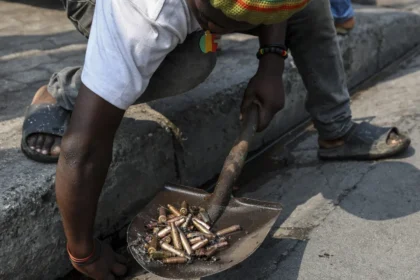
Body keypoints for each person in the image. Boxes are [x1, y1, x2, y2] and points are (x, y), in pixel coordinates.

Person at [20, 0, 410, 279]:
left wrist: (272, 62)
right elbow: (82, 150)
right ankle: (66, 90)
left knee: (308, 5)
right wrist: (83, 252)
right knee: (191, 65)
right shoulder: (141, 18)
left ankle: (336, 130)